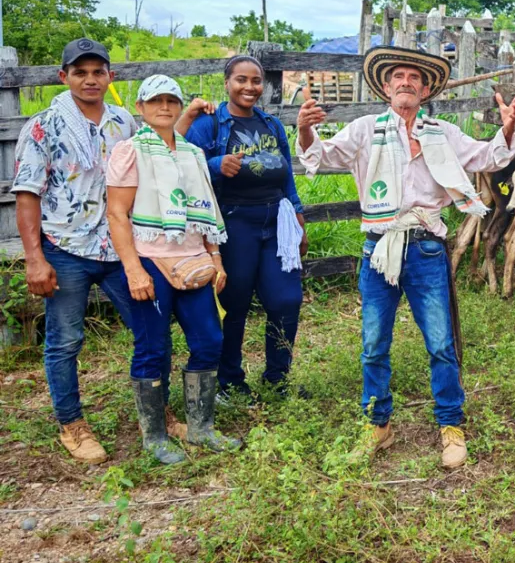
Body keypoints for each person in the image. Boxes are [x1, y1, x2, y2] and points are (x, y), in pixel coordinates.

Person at [296, 46, 515, 469]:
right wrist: (306, 131)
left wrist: (507, 129)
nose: (406, 82)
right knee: (373, 343)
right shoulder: (365, 130)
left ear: (426, 88)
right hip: (379, 246)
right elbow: (320, 156)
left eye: (414, 78)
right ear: (385, 86)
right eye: (398, 76)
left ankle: (450, 426)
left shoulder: (443, 133)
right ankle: (377, 425)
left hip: (426, 247)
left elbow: (488, 156)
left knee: (440, 342)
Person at [11, 38, 177, 464]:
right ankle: (72, 423)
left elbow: (161, 160)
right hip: (66, 246)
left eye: (97, 71)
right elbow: (28, 193)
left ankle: (158, 410)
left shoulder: (125, 122)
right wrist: (35, 257)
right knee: (66, 340)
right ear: (63, 76)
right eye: (79, 72)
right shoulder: (43, 125)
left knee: (152, 328)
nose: (89, 79)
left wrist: (190, 114)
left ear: (110, 76)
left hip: (121, 247)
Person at [106, 75, 241, 464]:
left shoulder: (191, 153)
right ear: (141, 107)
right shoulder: (130, 152)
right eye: (155, 101)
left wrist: (215, 259)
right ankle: (155, 437)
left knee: (209, 341)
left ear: (180, 106)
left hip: (192, 259)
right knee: (152, 346)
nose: (164, 107)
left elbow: (206, 209)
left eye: (171, 100)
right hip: (150, 259)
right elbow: (117, 213)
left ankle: (201, 428)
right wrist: (133, 269)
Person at [179, 55, 308, 402]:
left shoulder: (272, 125)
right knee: (233, 304)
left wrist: (296, 214)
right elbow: (182, 168)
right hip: (232, 223)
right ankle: (230, 382)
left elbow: (287, 176)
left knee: (287, 299)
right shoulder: (210, 125)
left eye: (256, 81)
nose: (249, 87)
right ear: (227, 83)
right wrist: (216, 164)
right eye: (241, 80)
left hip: (275, 223)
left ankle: (277, 377)